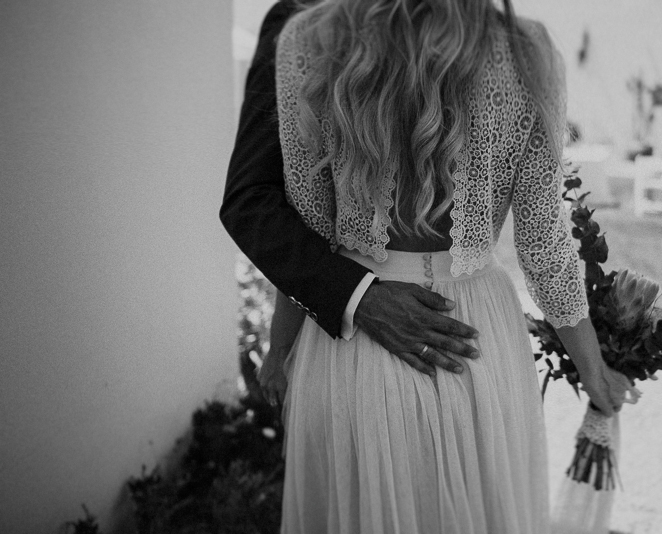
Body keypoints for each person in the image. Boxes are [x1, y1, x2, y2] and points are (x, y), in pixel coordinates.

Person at [258, 0, 631, 531]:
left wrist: (279, 351)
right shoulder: (524, 52)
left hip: (353, 336)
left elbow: (308, 228)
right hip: (478, 340)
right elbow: (543, 243)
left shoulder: (313, 39)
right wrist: (593, 371)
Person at [220, 0, 481, 387]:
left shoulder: (477, 33)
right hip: (361, 336)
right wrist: (358, 299)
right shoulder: (303, 24)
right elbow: (259, 198)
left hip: (475, 320)